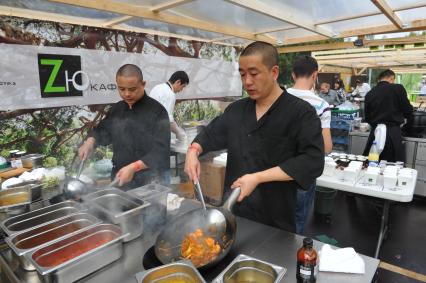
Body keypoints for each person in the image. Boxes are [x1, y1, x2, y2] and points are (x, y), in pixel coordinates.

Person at [185, 41, 324, 232]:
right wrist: (193, 151)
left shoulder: (301, 113)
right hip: (234, 212)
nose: (247, 81)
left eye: (254, 73)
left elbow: (312, 161)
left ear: (274, 72)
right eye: (242, 74)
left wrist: (258, 177)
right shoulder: (236, 110)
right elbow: (210, 134)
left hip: (276, 220)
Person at [78, 64, 171, 189]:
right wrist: (90, 141)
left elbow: (161, 152)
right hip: (120, 177)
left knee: (150, 210)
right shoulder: (117, 108)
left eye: (132, 89)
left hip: (150, 180)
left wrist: (133, 167)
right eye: (122, 89)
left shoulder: (157, 111)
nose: (127, 94)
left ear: (143, 84)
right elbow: (103, 131)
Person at [287, 55, 332, 234]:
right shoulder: (321, 105)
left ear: (292, 75)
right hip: (302, 174)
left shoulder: (277, 97)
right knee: (297, 222)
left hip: (273, 170)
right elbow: (327, 147)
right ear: (315, 75)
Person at [362, 69, 413, 162]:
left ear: (379, 79)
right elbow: (408, 110)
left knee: (372, 163)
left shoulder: (370, 93)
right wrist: (407, 127)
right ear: (391, 78)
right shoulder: (398, 88)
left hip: (375, 133)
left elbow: (367, 117)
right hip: (392, 133)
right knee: (392, 166)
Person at [149, 71, 189, 143]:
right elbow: (168, 120)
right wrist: (179, 132)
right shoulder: (170, 94)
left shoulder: (157, 87)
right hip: (157, 136)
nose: (181, 90)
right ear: (178, 82)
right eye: (183, 87)